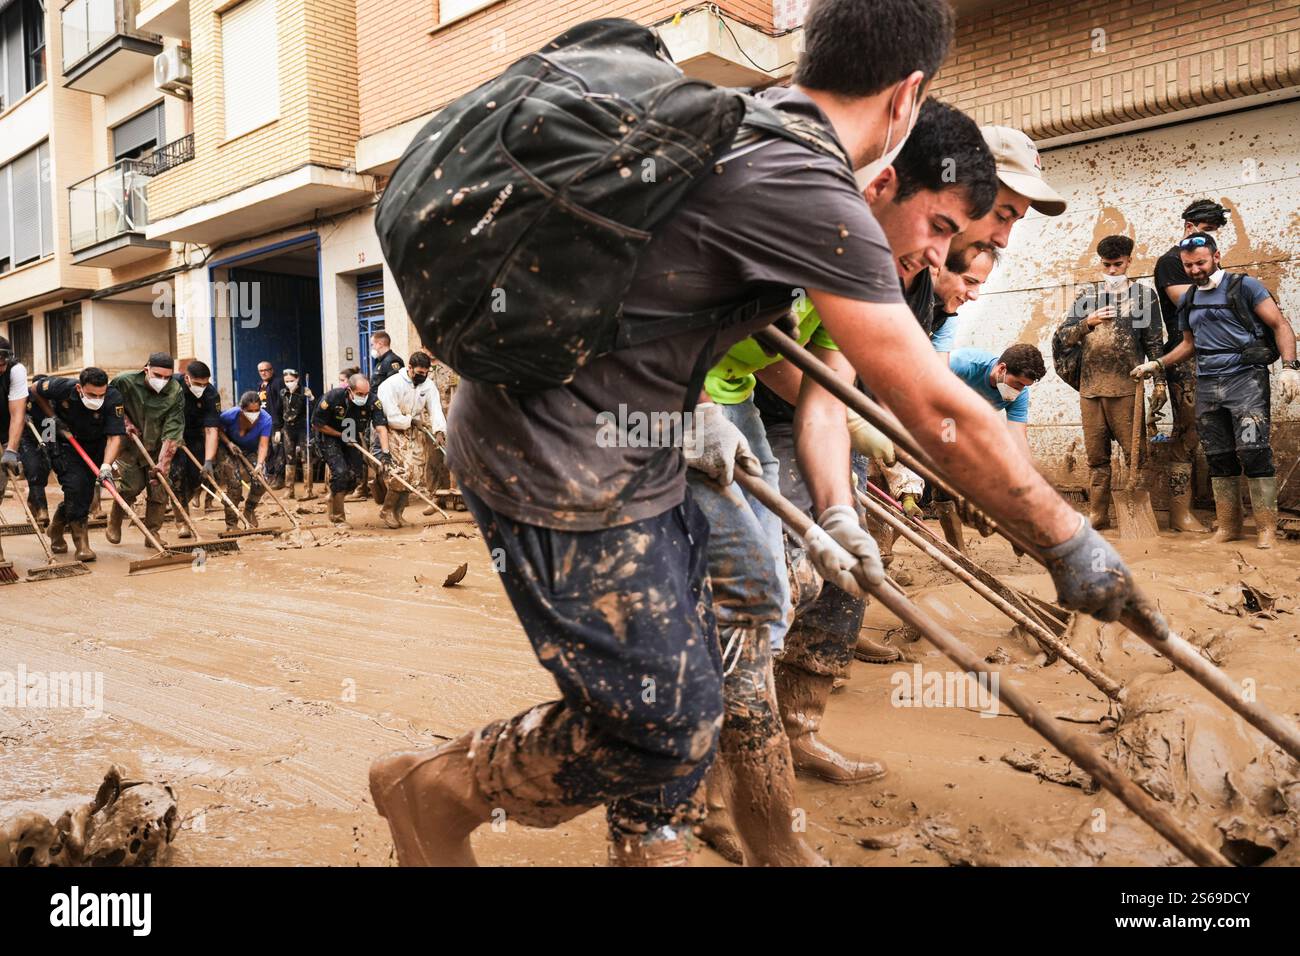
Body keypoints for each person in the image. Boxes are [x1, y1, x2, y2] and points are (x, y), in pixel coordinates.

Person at [369, 0, 1136, 868]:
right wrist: (1069, 543)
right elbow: (939, 408)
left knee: (697, 671)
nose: (942, 253)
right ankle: (433, 790)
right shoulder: (805, 180)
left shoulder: (755, 133)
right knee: (659, 721)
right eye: (946, 231)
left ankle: (659, 841)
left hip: (635, 450)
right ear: (907, 97)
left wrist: (738, 441)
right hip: (554, 462)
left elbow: (722, 326)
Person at [1133, 233, 1298, 548]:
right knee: (1218, 456)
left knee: (1253, 451)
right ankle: (1229, 527)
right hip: (1208, 384)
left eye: (1200, 262)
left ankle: (1266, 529)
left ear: (1216, 256)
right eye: (1188, 265)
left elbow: (1280, 324)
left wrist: (1291, 368)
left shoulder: (1244, 287)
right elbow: (1188, 345)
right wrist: (1156, 364)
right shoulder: (1189, 299)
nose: (1195, 270)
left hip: (1246, 381)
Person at [1053, 236, 1164, 530]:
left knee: (1136, 455)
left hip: (1128, 388)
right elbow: (1063, 337)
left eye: (1118, 264)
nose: (1113, 270)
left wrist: (1160, 382)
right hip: (1091, 389)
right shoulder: (1088, 295)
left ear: (1129, 261)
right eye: (1107, 265)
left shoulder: (1144, 295)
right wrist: (1087, 322)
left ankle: (1135, 512)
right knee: (1096, 457)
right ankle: (1098, 514)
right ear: (1100, 264)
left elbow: (1154, 343)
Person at [1150, 199, 1230, 534]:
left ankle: (1223, 512)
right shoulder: (1171, 262)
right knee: (1187, 431)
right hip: (1185, 354)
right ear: (1188, 227)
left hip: (1215, 355)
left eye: (1213, 232)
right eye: (1206, 229)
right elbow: (1192, 301)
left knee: (1215, 429)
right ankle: (1179, 514)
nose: (1210, 236)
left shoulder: (1206, 266)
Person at [30, 368, 125, 562]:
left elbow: (115, 437)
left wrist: (106, 466)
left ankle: (56, 527)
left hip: (95, 446)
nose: (97, 399)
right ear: (80, 388)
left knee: (85, 493)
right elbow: (34, 389)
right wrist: (52, 417)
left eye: (101, 394)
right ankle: (82, 545)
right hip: (65, 442)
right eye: (91, 394)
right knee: (76, 486)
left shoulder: (113, 397)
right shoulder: (61, 387)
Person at [107, 354, 185, 545]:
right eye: (158, 375)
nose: (163, 381)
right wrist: (124, 422)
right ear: (146, 370)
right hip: (130, 446)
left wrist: (163, 463)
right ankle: (114, 520)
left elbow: (173, 428)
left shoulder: (175, 391)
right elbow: (110, 404)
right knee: (132, 486)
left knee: (159, 488)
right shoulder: (124, 382)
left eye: (168, 377)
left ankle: (152, 533)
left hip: (157, 446)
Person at [312, 374, 391, 529]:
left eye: (366, 394)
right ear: (350, 391)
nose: (364, 397)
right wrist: (340, 435)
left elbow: (381, 428)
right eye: (360, 394)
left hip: (352, 437)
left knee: (356, 476)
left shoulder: (373, 401)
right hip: (329, 436)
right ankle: (337, 518)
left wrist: (386, 453)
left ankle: (334, 496)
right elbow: (317, 424)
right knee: (340, 473)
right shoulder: (333, 398)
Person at [376, 352, 445, 528]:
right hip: (393, 429)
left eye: (425, 373)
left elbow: (435, 409)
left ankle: (398, 513)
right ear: (409, 368)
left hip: (415, 431)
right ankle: (387, 510)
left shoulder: (428, 386)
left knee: (415, 473)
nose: (422, 376)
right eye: (419, 373)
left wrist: (439, 431)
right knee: (402, 472)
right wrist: (411, 421)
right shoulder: (390, 385)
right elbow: (390, 415)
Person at [169, 360, 222, 539]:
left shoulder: (211, 394)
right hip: (172, 435)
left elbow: (211, 429)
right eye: (198, 383)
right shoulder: (173, 386)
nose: (202, 387)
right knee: (176, 476)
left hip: (196, 436)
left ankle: (184, 502)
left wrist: (208, 461)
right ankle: (182, 521)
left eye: (205, 383)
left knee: (197, 476)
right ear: (187, 378)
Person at [214, 392, 273, 529]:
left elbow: (263, 444)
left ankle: (249, 511)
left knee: (261, 481)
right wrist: (229, 443)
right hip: (227, 448)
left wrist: (259, 464)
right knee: (235, 485)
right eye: (250, 411)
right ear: (242, 409)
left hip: (250, 450)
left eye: (257, 410)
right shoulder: (230, 415)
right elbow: (217, 429)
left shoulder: (266, 419)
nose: (254, 414)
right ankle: (231, 523)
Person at [17, 374, 52, 527]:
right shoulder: (24, 396)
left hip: (47, 434)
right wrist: (21, 415)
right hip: (27, 437)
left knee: (44, 470)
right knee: (33, 469)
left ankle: (32, 502)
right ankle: (42, 509)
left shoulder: (52, 396)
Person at [276, 369, 314, 500]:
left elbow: (312, 410)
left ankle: (308, 490)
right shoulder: (283, 393)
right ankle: (289, 490)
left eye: (291, 381)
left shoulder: (304, 392)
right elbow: (278, 411)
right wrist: (277, 429)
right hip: (288, 428)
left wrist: (311, 398)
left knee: (305, 457)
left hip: (303, 428)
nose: (289, 383)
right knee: (289, 457)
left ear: (297, 379)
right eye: (286, 381)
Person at [0, 335, 28, 479]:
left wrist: (11, 449)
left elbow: (17, 414)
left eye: (3, 363)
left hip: (6, 428)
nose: (2, 369)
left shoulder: (16, 370)